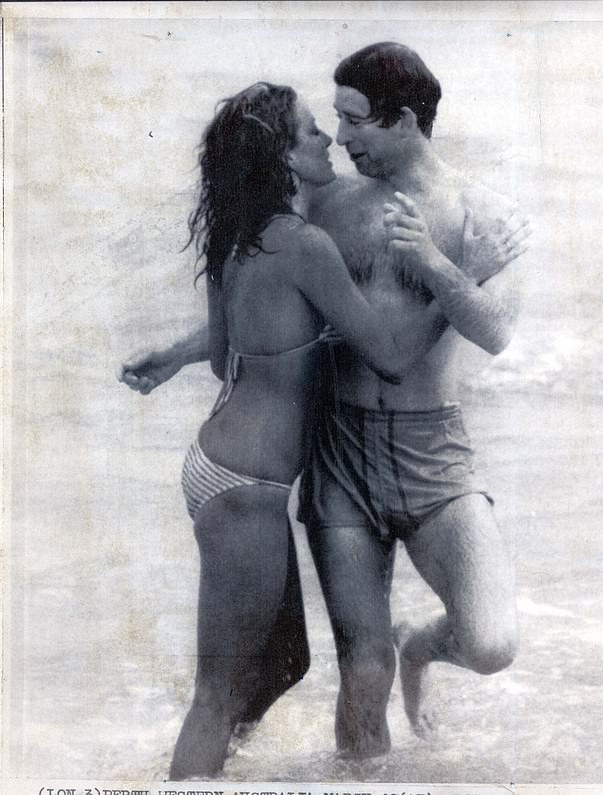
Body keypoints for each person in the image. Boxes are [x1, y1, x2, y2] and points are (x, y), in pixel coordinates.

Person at [119, 44, 530, 765]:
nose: (337, 140)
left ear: (404, 120)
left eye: (353, 122)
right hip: (326, 460)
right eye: (326, 124)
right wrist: (177, 356)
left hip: (411, 454)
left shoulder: (477, 214)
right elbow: (326, 331)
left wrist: (437, 262)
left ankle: (406, 655)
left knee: (470, 643)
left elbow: (493, 332)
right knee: (346, 673)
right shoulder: (322, 211)